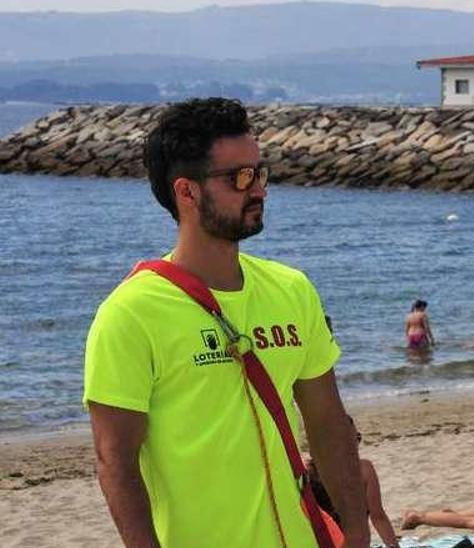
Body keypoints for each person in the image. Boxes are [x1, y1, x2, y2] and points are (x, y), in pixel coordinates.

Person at [84, 98, 369, 547]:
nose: (258, 189)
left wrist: (355, 531)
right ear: (187, 192)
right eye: (238, 177)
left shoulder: (291, 290)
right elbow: (115, 463)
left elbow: (328, 423)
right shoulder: (130, 314)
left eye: (260, 173)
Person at [307, 424, 399, 548]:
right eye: (347, 441)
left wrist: (394, 546)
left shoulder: (364, 470)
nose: (354, 445)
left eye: (357, 438)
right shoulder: (309, 475)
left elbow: (378, 516)